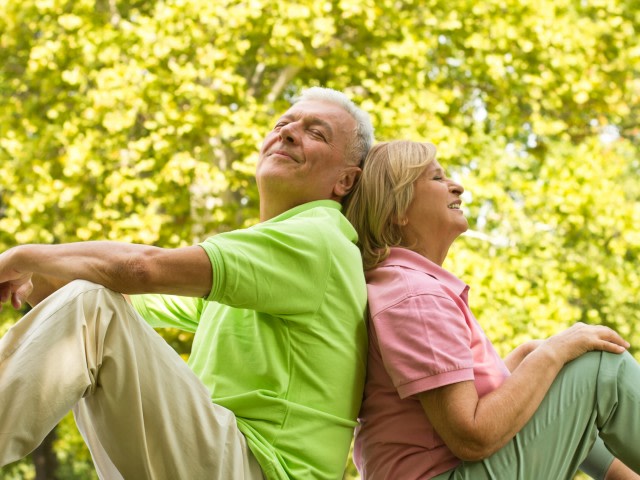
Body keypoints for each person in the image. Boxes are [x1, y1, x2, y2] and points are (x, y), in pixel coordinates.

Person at [0, 87, 375, 480]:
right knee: (90, 302)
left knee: (91, 305)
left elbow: (140, 270)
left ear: (346, 181)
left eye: (316, 133)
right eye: (282, 124)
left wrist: (20, 258)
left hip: (258, 469)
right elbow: (115, 304)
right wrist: (32, 282)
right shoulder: (269, 261)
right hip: (226, 461)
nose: (288, 133)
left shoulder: (319, 238)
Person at [344, 140, 640, 480]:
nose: (457, 186)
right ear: (398, 210)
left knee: (556, 380)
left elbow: (490, 406)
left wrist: (535, 359)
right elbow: (471, 436)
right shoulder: (414, 295)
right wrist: (553, 353)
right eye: (437, 178)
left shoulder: (405, 285)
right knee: (601, 367)